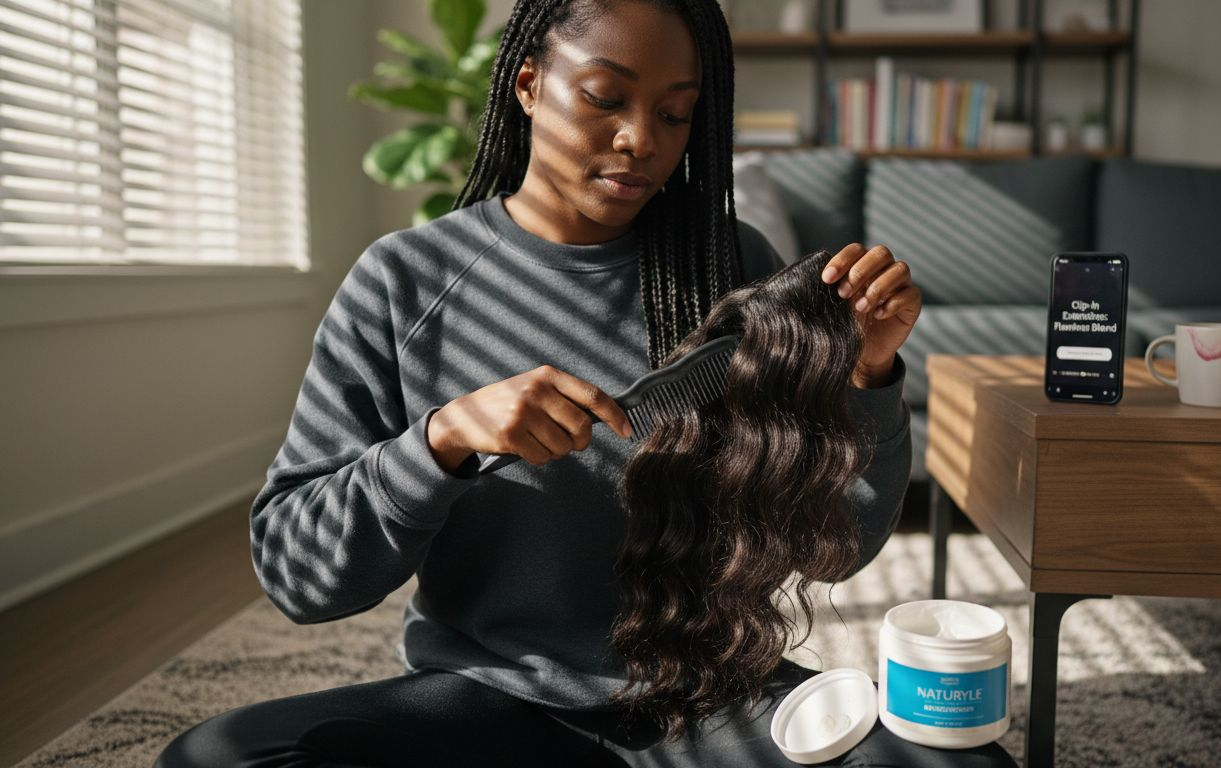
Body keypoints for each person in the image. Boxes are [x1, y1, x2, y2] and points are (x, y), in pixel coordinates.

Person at [155, 0, 1014, 765]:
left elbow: (843, 542)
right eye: (605, 98)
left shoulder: (732, 267)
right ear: (529, 85)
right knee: (218, 757)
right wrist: (442, 443)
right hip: (492, 704)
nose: (642, 140)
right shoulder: (404, 281)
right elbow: (300, 576)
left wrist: (868, 376)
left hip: (708, 701)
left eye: (676, 114)